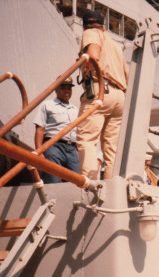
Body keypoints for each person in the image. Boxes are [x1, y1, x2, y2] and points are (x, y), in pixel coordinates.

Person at [77, 10, 129, 180]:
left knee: (87, 139)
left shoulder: (90, 33)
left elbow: (93, 54)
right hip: (119, 96)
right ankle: (111, 186)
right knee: (111, 148)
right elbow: (127, 76)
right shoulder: (115, 45)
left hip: (100, 91)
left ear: (84, 26)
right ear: (104, 27)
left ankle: (89, 183)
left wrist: (88, 69)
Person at [33, 76, 79, 184]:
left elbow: (78, 133)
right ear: (56, 89)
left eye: (69, 88)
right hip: (53, 147)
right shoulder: (47, 105)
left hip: (72, 149)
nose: (67, 90)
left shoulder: (76, 110)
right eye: (63, 87)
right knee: (53, 181)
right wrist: (39, 152)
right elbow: (39, 128)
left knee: (76, 182)